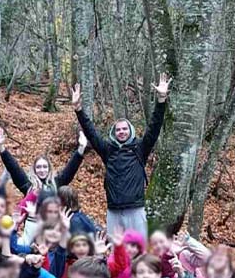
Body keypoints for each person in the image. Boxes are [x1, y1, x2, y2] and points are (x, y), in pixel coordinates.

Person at [71, 74, 171, 238]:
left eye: (125, 129)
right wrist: (78, 109)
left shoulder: (139, 148)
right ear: (113, 133)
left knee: (139, 251)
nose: (121, 132)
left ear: (130, 131)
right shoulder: (107, 150)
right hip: (113, 210)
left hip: (136, 209)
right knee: (115, 253)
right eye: (118, 129)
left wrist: (161, 99)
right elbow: (91, 132)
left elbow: (154, 128)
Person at [0, 126, 88, 198]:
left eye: (44, 166)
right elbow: (14, 168)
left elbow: (71, 169)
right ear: (34, 170)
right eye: (38, 167)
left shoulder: (57, 183)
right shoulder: (27, 185)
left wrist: (81, 148)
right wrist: (1, 148)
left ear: (49, 168)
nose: (42, 170)